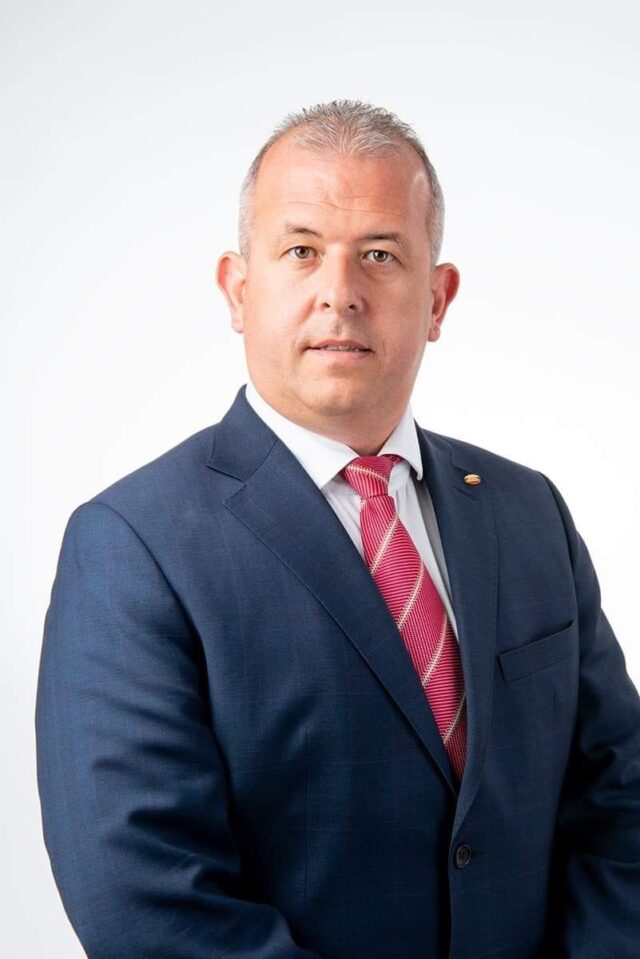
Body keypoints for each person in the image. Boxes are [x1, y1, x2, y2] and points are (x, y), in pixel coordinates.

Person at [35, 99, 640, 959]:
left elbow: (622, 805)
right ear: (238, 290)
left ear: (438, 298)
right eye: (301, 251)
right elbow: (146, 900)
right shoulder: (134, 544)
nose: (340, 292)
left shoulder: (528, 510)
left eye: (380, 254)